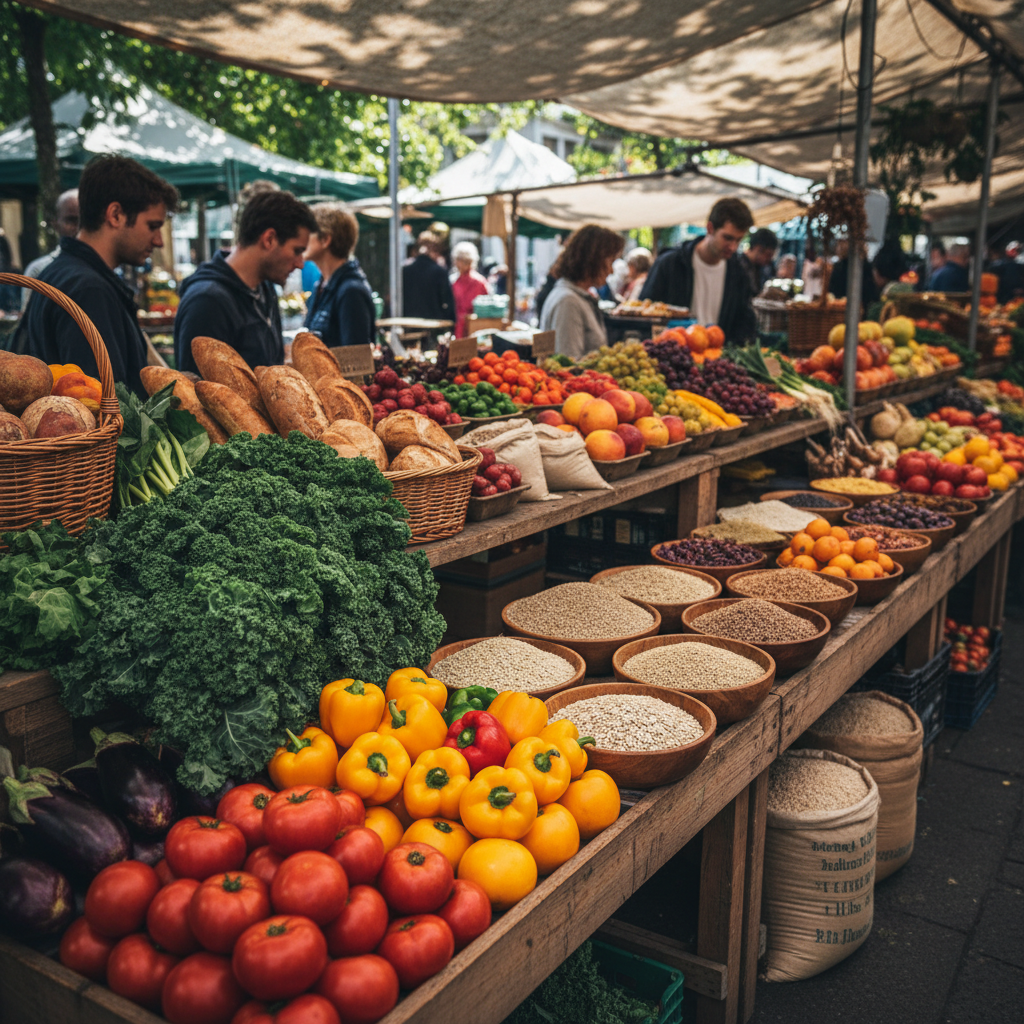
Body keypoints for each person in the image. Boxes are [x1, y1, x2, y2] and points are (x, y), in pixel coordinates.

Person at [20, 156, 178, 397]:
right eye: (152, 226)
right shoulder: (88, 289)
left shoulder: (63, 273)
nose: (159, 241)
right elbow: (105, 408)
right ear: (115, 215)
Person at [174, 189, 316, 374]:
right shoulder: (207, 302)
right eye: (297, 251)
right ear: (269, 239)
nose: (300, 264)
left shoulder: (265, 289)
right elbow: (194, 394)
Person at [640, 197, 757, 343]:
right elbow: (644, 314)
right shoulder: (669, 264)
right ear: (710, 228)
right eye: (727, 238)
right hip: (673, 357)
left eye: (738, 240)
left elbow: (744, 323)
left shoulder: (740, 273)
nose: (733, 247)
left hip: (716, 360)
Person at [539, 224, 623, 359]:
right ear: (593, 260)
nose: (611, 271)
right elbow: (569, 365)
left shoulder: (573, 296)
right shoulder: (568, 302)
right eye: (610, 261)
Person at [302, 203, 376, 348]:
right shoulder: (322, 285)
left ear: (325, 240)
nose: (301, 239)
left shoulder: (351, 291)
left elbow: (356, 360)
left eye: (307, 233)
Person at [20, 189, 80, 311]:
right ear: (56, 224)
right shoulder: (39, 270)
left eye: (83, 220)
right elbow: (28, 319)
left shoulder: (106, 266)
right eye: (71, 220)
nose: (78, 227)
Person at [402, 231, 455, 322]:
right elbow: (448, 301)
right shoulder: (440, 272)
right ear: (435, 250)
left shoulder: (405, 271)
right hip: (433, 326)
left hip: (409, 323)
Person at [450, 241, 490, 337]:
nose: (459, 263)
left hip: (476, 328)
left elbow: (487, 308)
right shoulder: (454, 281)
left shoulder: (480, 282)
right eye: (458, 260)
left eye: (464, 260)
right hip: (456, 327)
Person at [740, 228, 777, 295]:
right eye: (768, 255)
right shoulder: (739, 266)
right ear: (758, 249)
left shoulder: (757, 267)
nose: (769, 260)